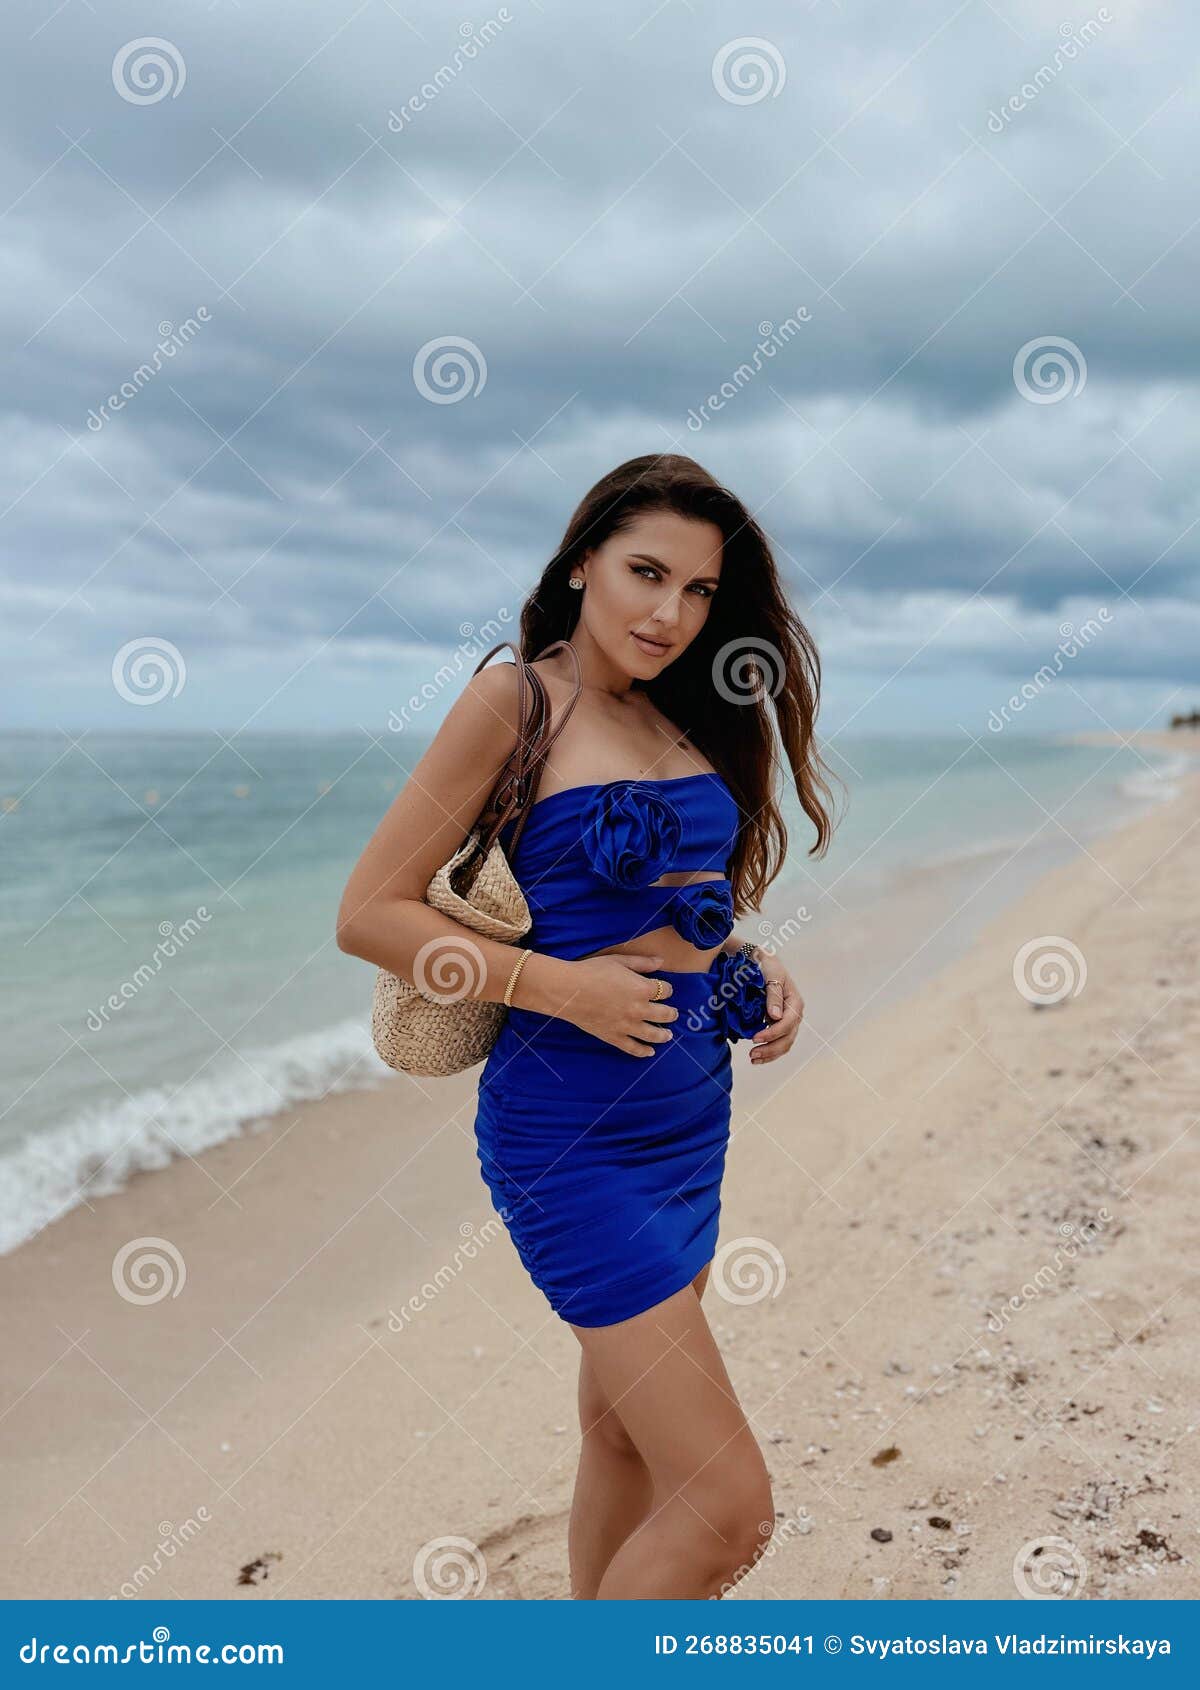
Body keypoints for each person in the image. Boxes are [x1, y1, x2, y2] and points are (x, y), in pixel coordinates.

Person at [337, 452, 835, 1598]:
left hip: (687, 1128)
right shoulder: (513, 702)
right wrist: (563, 988)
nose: (671, 612)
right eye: (646, 573)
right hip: (571, 1142)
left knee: (618, 1437)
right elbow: (368, 914)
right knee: (725, 1506)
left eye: (700, 591)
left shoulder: (680, 713)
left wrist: (750, 969)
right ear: (579, 567)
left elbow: (673, 918)